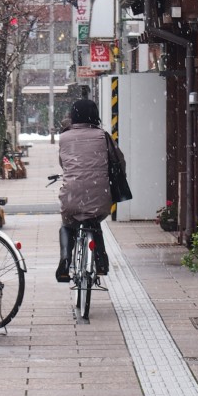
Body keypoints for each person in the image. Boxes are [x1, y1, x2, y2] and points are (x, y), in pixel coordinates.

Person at [55, 97, 127, 282]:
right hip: (99, 195)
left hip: (71, 195)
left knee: (67, 224)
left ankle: (65, 258)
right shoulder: (103, 136)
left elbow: (64, 164)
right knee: (94, 221)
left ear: (73, 116)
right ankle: (101, 262)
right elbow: (119, 160)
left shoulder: (64, 137)